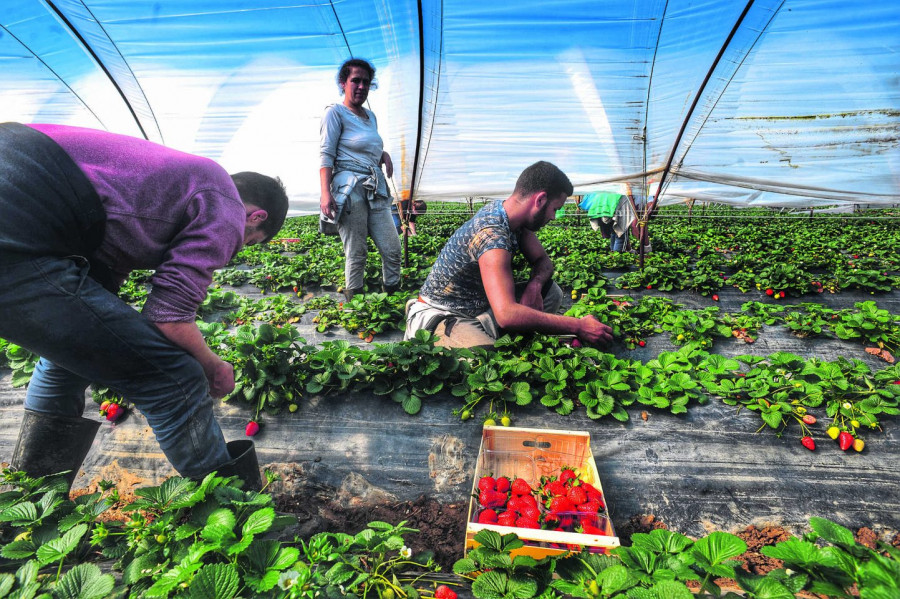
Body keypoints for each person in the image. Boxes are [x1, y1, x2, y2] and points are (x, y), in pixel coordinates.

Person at [0, 121, 289, 489]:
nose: (236, 247)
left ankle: (35, 508)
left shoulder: (162, 185)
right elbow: (167, 317)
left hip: (20, 187)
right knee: (174, 379)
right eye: (248, 240)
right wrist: (214, 366)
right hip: (15, 224)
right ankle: (235, 516)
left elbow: (102, 280)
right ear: (255, 216)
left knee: (66, 363)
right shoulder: (224, 201)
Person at [405, 161, 613, 349]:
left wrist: (535, 285)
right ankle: (480, 340)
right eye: (554, 209)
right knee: (487, 360)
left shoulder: (511, 218)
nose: (553, 217)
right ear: (540, 199)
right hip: (442, 315)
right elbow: (506, 315)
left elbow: (543, 262)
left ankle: (504, 335)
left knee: (552, 292)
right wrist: (578, 326)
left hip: (480, 307)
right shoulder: (492, 235)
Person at [320, 58, 402, 299]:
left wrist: (382, 154)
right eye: (355, 80)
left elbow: (366, 148)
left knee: (392, 248)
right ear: (343, 83)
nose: (361, 86)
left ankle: (392, 298)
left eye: (366, 82)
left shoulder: (371, 117)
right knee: (357, 252)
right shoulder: (335, 113)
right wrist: (326, 194)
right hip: (350, 189)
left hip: (375, 188)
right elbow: (326, 154)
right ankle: (354, 303)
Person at [578, 183, 635, 252]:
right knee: (620, 235)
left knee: (614, 232)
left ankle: (613, 253)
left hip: (604, 213)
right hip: (615, 211)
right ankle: (617, 256)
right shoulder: (622, 189)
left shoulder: (604, 190)